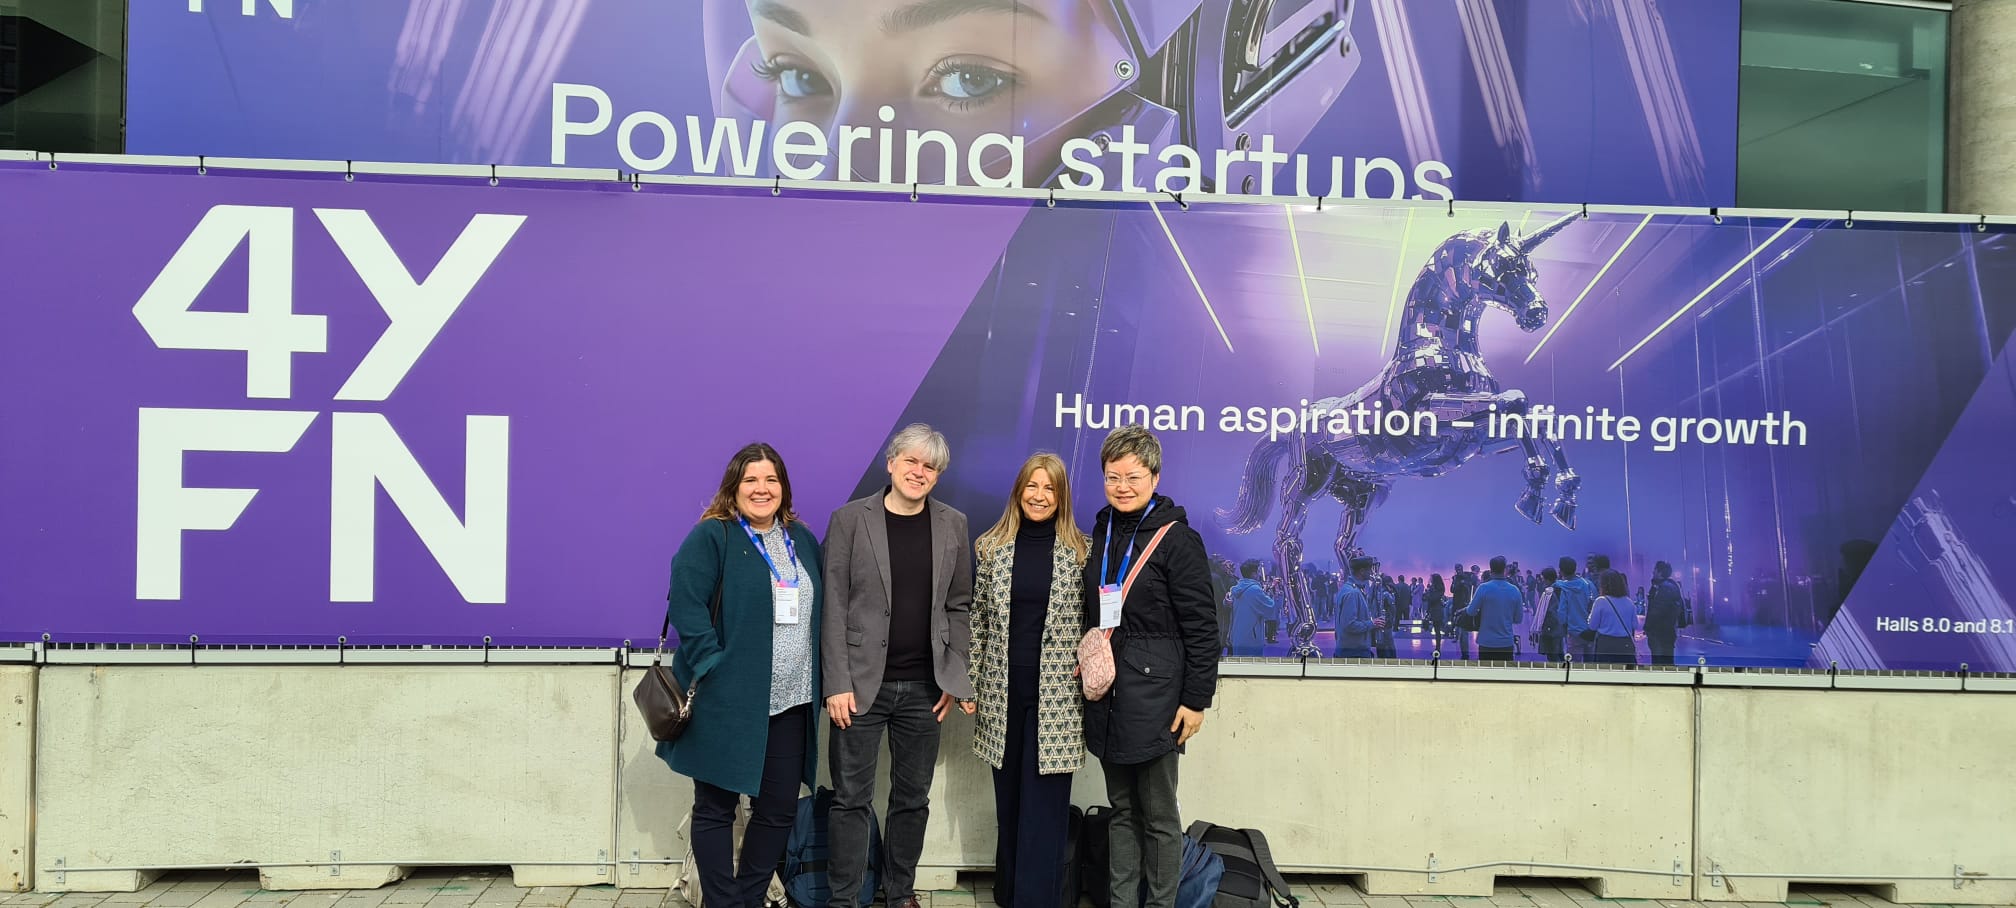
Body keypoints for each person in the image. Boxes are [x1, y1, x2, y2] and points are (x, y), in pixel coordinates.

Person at [657, 443, 823, 908]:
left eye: (771, 479)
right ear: (734, 487)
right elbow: (686, 602)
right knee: (716, 809)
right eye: (751, 480)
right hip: (728, 701)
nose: (761, 489)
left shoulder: (801, 540)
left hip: (791, 700)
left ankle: (749, 898)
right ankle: (722, 901)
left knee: (778, 809)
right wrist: (713, 664)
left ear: (783, 487)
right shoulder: (714, 536)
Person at [821, 424, 977, 908]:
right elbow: (833, 606)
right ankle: (844, 899)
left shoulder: (953, 524)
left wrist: (953, 673)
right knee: (850, 799)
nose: (919, 472)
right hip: (858, 688)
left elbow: (959, 605)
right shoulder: (850, 520)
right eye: (911, 461)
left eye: (929, 466)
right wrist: (836, 682)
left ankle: (899, 893)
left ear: (938, 475)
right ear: (891, 463)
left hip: (926, 689)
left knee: (912, 800)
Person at [1082, 425, 1218, 908]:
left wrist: (1196, 701)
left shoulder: (1178, 540)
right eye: (1112, 476)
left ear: (1155, 478)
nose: (1122, 486)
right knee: (1122, 809)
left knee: (1159, 816)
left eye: (1133, 476)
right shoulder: (1103, 531)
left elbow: (1203, 627)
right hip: (1109, 697)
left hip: (1158, 700)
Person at [968, 453, 1090, 908]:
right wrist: (970, 682)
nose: (1039, 496)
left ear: (1062, 497)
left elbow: (1094, 623)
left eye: (1049, 488)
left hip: (1058, 699)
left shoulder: (1082, 552)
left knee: (1046, 809)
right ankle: (1009, 894)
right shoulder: (990, 547)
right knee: (1010, 804)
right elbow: (978, 620)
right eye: (1032, 486)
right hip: (1001, 693)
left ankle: (1037, 899)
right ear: (1019, 491)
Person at [1461, 556, 1524, 662]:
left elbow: (1471, 611)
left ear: (1491, 570)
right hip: (1506, 643)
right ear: (1505, 569)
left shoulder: (1483, 588)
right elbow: (1518, 619)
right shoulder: (1515, 590)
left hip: (1486, 642)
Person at [1587, 569, 1640, 666]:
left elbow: (1592, 626)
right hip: (1625, 645)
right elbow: (1635, 625)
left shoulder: (1601, 601)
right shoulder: (1629, 602)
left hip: (1606, 644)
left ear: (1603, 585)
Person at [1332, 557, 1381, 659]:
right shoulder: (1352, 593)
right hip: (1353, 653)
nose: (1371, 572)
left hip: (1352, 650)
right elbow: (1350, 625)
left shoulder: (1352, 589)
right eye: (1369, 569)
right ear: (1362, 571)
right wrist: (1372, 623)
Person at [1226, 560, 1275, 655]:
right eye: (1258, 571)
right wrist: (1270, 593)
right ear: (1253, 574)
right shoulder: (1255, 590)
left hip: (1237, 635)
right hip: (1251, 638)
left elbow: (1226, 602)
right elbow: (1270, 607)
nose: (1259, 573)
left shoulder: (1237, 587)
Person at [1551, 556, 1595, 662]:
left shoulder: (1563, 588)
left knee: (1574, 665)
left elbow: (1562, 614)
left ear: (1561, 571)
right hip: (1590, 632)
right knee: (1591, 665)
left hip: (1574, 632)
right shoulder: (1589, 584)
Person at [1644, 561, 1685, 666]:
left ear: (1660, 572)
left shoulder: (1664, 588)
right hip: (1666, 632)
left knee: (1660, 664)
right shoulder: (1669, 586)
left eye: (1655, 569)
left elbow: (1657, 610)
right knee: (1666, 663)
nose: (1653, 571)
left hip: (1660, 633)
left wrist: (1647, 627)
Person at [1530, 566, 1563, 661]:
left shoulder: (1549, 593)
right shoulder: (1561, 589)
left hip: (1550, 629)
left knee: (1552, 655)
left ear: (1547, 579)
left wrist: (1546, 627)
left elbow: (1550, 612)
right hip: (1559, 627)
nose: (1542, 580)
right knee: (1558, 653)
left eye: (1543, 578)